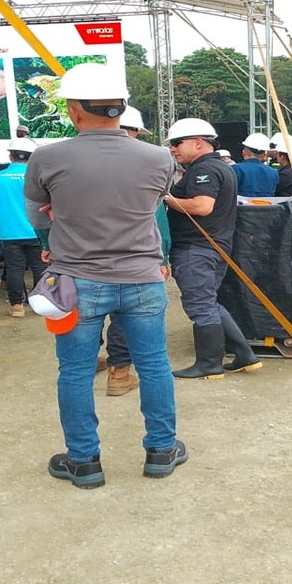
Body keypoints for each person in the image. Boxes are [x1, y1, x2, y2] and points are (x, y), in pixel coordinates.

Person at [23, 62, 185, 489]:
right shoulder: (159, 157)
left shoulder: (46, 157)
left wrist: (54, 227)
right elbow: (148, 204)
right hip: (143, 278)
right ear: (121, 107)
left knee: (74, 371)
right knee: (154, 365)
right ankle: (162, 450)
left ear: (74, 111)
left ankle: (84, 461)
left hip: (76, 281)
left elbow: (35, 215)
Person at [163, 117, 261, 379]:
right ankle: (244, 355)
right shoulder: (220, 166)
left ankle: (209, 364)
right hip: (211, 247)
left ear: (198, 142)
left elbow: (202, 207)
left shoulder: (204, 170)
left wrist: (166, 198)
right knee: (209, 302)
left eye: (176, 143)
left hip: (197, 248)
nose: (173, 149)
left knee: (200, 306)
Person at [97, 109, 174, 397]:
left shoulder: (75, 162)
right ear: (135, 132)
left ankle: (91, 359)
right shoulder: (150, 164)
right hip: (134, 261)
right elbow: (158, 220)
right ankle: (119, 373)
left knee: (87, 313)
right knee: (124, 316)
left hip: (83, 259)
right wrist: (163, 258)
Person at [0, 139, 44, 318]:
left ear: (10, 155)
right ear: (32, 158)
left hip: (8, 232)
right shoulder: (40, 176)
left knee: (14, 268)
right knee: (39, 267)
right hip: (37, 230)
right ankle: (39, 303)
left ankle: (17, 306)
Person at [231, 133, 278, 197]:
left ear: (244, 152)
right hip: (267, 206)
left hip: (241, 206)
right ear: (264, 154)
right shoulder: (273, 172)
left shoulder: (236, 169)